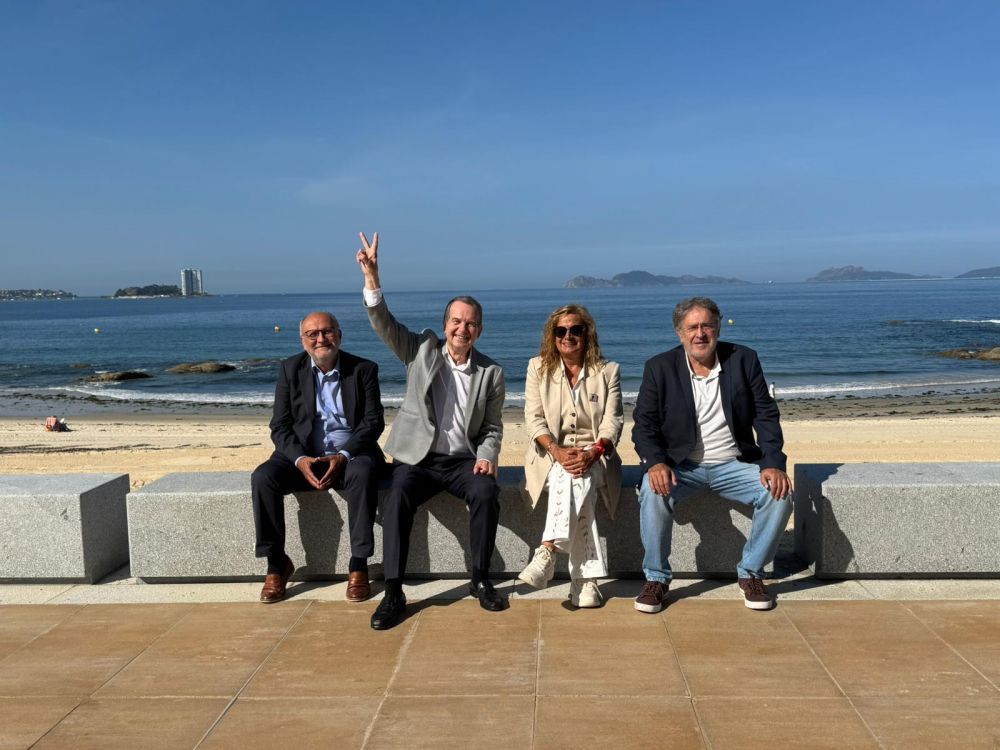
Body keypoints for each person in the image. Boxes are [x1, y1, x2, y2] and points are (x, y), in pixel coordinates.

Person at [356, 231, 506, 630]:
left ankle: (480, 579)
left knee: (488, 492)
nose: (463, 328)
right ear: (445, 325)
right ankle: (393, 592)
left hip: (461, 462)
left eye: (471, 323)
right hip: (418, 460)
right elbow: (383, 324)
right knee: (398, 496)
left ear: (479, 330)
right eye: (456, 321)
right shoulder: (420, 349)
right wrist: (373, 278)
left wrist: (487, 458)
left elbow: (492, 427)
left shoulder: (491, 372)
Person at [632, 297, 792, 613]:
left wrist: (772, 463)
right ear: (680, 333)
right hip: (682, 466)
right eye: (693, 327)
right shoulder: (659, 368)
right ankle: (657, 579)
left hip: (734, 463)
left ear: (717, 328)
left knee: (780, 495)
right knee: (652, 491)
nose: (700, 334)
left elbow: (766, 415)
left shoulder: (744, 360)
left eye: (707, 326)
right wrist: (656, 462)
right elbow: (643, 425)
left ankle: (751, 573)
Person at [251, 311, 385, 604]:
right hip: (302, 454)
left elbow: (373, 422)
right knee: (262, 477)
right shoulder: (290, 369)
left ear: (339, 334)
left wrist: (344, 455)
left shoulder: (363, 369)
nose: (321, 338)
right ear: (303, 340)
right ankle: (276, 564)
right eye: (313, 334)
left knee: (363, 473)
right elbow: (280, 426)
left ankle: (359, 564)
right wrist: (299, 459)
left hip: (353, 453)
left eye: (327, 331)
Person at [518, 304, 623, 607]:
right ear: (552, 336)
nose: (568, 336)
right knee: (575, 478)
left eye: (576, 329)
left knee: (578, 474)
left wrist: (593, 451)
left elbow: (613, 422)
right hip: (551, 455)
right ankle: (584, 581)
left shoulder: (608, 371)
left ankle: (547, 551)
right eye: (560, 330)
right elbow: (534, 419)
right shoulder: (537, 368)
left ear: (587, 334)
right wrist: (557, 450)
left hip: (597, 457)